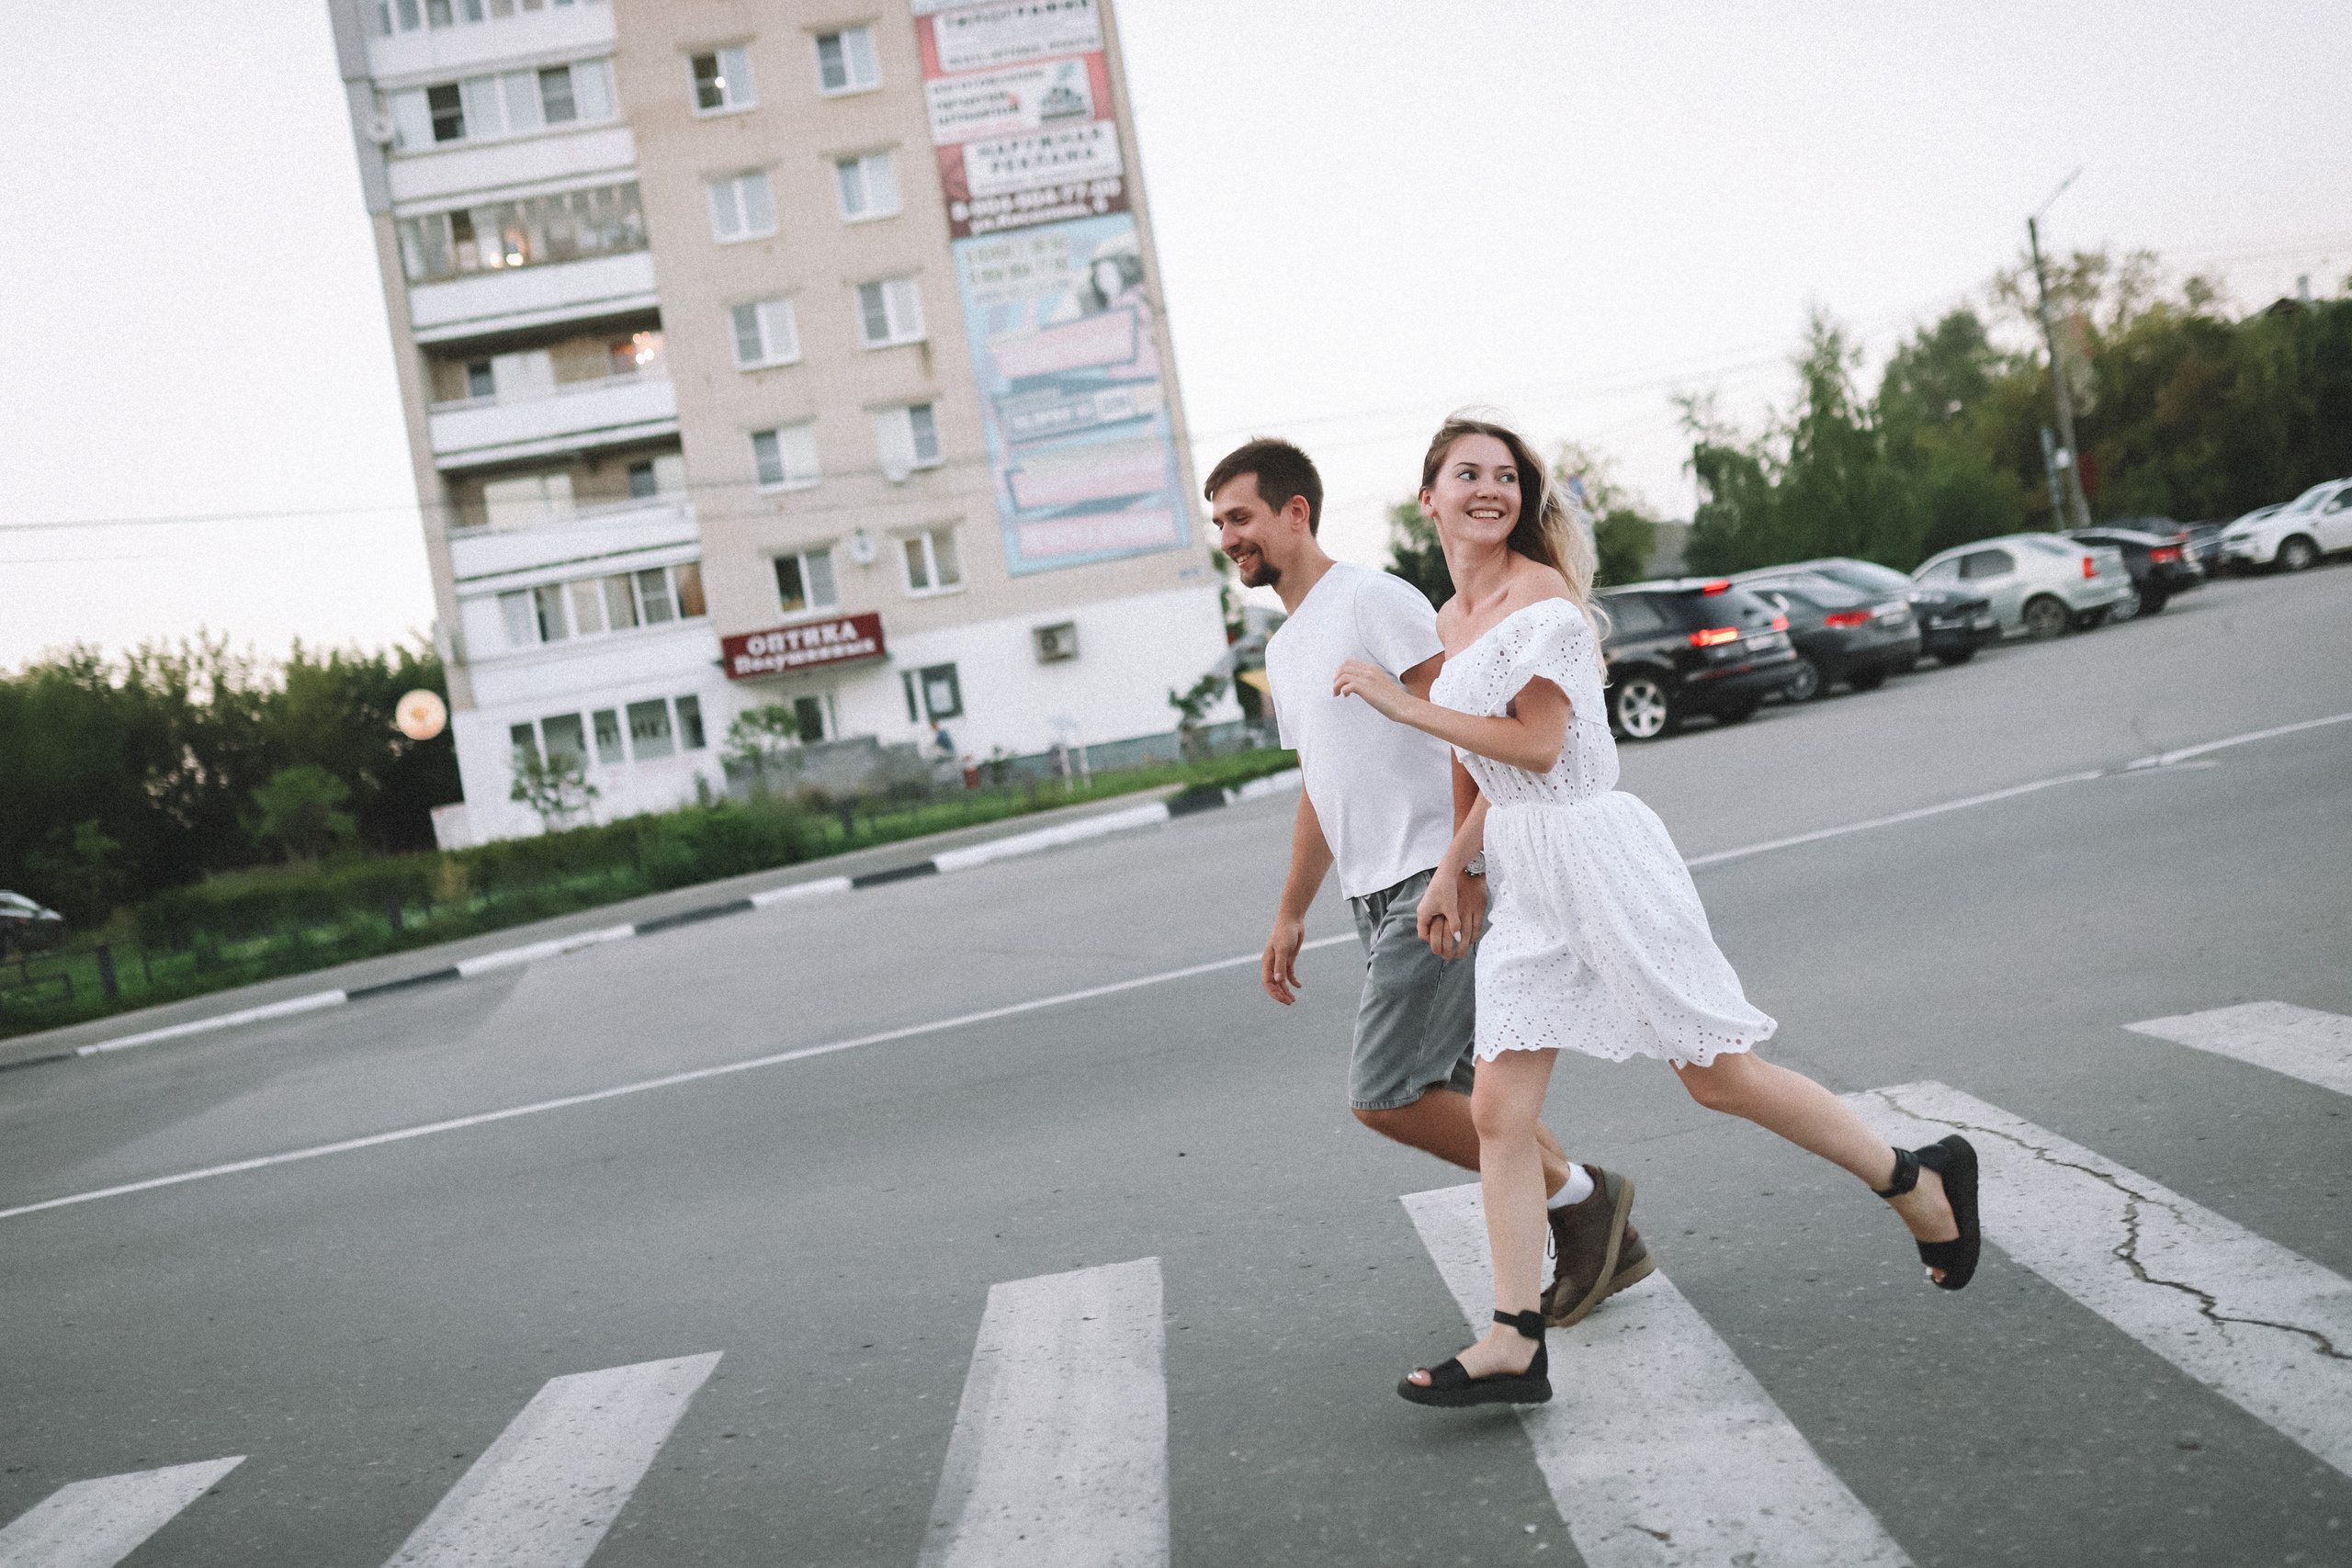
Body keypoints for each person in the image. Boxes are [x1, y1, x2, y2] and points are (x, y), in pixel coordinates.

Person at [1332, 415, 1982, 1408]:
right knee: (1502, 1113)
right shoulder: (1450, 618)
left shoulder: (1538, 598)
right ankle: (1514, 1338)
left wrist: (1404, 706)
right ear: (1428, 498)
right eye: (1467, 474)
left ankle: (1916, 1178)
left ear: (1523, 499)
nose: (1489, 490)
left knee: (1718, 1078)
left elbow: (1540, 747)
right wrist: (1450, 869)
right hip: (1525, 867)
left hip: (1598, 855)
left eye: (1506, 477)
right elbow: (1487, 768)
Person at [1209, 436, 1654, 1330]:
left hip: (1435, 879)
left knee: (1389, 1094)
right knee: (1477, 1103)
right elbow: (1319, 784)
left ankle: (1586, 1195)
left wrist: (1466, 862)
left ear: (1296, 512)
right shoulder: (1290, 645)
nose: (1229, 538)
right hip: (1375, 896)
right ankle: (1596, 1236)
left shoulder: (1372, 598)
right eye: (1219, 522)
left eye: (1242, 517)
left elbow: (1465, 719)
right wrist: (1291, 910)